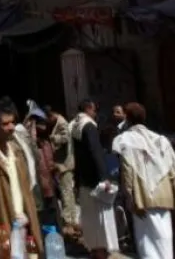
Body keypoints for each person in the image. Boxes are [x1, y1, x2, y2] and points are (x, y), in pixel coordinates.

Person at [113, 102, 175, 259]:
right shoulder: (161, 140)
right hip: (165, 199)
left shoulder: (126, 140)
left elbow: (127, 172)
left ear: (127, 118)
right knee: (164, 245)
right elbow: (173, 174)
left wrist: (129, 197)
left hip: (143, 200)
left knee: (147, 246)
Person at [0, 100, 43, 259]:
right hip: (7, 230)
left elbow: (27, 192)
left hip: (27, 227)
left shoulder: (17, 151)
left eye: (12, 122)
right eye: (5, 124)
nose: (11, 127)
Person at [72, 98, 117, 259]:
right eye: (95, 110)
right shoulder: (89, 126)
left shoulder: (74, 125)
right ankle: (101, 250)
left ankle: (94, 249)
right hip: (95, 181)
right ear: (89, 109)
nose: (96, 113)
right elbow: (95, 152)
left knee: (89, 217)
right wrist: (104, 177)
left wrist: (76, 181)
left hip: (83, 180)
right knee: (101, 218)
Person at [48, 105, 79, 235]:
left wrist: (53, 138)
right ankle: (72, 220)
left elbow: (65, 138)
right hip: (64, 164)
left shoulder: (61, 122)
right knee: (68, 193)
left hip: (65, 164)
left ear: (51, 115)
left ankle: (68, 223)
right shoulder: (59, 122)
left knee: (66, 193)